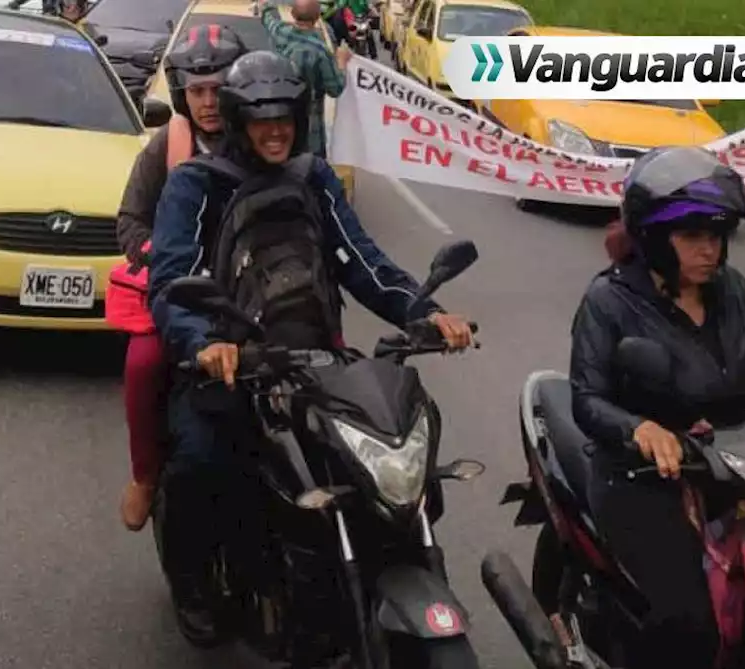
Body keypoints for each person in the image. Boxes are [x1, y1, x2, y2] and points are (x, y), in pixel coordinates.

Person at [149, 50, 474, 643]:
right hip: (233, 367)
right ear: (235, 118)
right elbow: (172, 282)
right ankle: (194, 581)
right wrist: (204, 345)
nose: (275, 129)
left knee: (386, 455)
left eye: (286, 116)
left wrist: (425, 312)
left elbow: (362, 262)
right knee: (202, 460)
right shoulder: (196, 185)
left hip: (318, 365)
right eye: (259, 117)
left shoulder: (312, 177)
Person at [570, 146, 745, 669]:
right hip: (647, 477)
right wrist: (639, 427)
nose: (709, 250)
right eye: (693, 237)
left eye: (716, 236)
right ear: (651, 238)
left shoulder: (733, 292)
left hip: (741, 467)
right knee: (687, 624)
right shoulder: (609, 301)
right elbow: (587, 398)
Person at [111, 24, 248, 532]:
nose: (210, 102)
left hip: (252, 289)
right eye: (198, 91)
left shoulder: (259, 135)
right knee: (145, 364)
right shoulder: (168, 146)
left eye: (219, 89)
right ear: (181, 93)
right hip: (180, 290)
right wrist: (160, 256)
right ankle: (145, 476)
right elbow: (129, 219)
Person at [256, 0, 350, 159]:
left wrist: (265, 6)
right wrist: (341, 62)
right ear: (317, 17)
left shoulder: (280, 32)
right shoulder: (320, 51)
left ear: (292, 14)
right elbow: (335, 88)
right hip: (309, 131)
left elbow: (267, 19)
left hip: (281, 120)